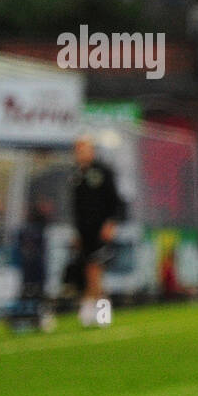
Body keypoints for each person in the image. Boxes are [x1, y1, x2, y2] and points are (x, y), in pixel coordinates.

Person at [69, 135, 124, 328]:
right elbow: (76, 207)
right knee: (91, 271)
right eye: (77, 150)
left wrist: (111, 223)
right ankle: (102, 314)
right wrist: (75, 232)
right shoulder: (76, 175)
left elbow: (116, 201)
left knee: (94, 269)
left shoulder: (102, 172)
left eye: (83, 149)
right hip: (83, 231)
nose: (80, 153)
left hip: (100, 230)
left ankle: (87, 308)